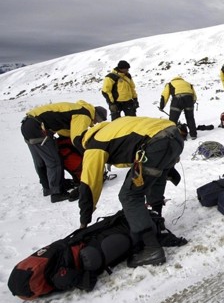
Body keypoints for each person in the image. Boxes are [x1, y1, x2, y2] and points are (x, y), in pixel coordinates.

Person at [77, 116, 185, 268]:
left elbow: (89, 184)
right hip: (174, 134)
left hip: (157, 142)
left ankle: (152, 248)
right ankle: (158, 229)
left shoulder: (93, 145)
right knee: (155, 179)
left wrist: (84, 222)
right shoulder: (113, 129)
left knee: (129, 196)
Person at [21, 101, 107, 202]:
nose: (96, 123)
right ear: (96, 115)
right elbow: (76, 139)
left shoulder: (77, 109)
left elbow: (65, 132)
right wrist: (87, 154)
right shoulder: (84, 114)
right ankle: (57, 193)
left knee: (41, 161)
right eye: (98, 120)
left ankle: (48, 188)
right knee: (54, 162)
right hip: (38, 127)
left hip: (27, 125)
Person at [159, 76, 198, 140]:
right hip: (189, 100)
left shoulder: (170, 84)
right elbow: (194, 96)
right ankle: (193, 135)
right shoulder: (188, 84)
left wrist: (161, 106)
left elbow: (164, 96)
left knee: (173, 120)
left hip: (177, 100)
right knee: (190, 118)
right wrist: (190, 104)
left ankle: (172, 136)